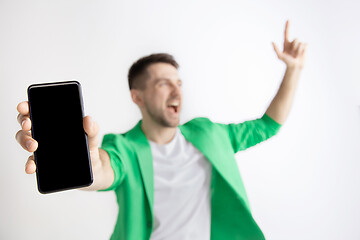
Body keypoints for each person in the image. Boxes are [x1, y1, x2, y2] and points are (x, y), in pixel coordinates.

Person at [15, 20, 307, 240]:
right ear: (137, 97)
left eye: (178, 83)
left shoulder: (209, 133)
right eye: (163, 83)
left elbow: (268, 125)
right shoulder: (125, 147)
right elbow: (105, 168)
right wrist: (87, 163)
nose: (176, 90)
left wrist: (292, 69)